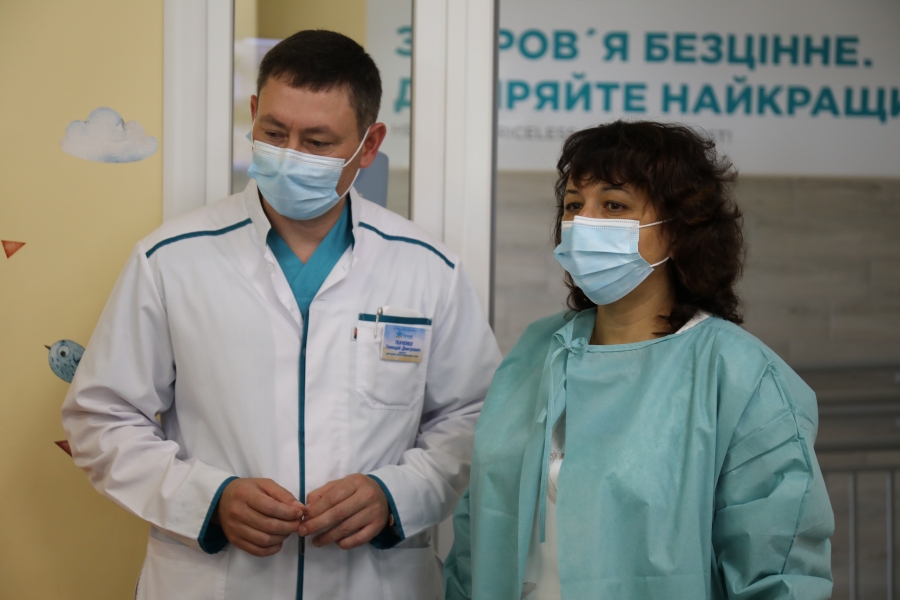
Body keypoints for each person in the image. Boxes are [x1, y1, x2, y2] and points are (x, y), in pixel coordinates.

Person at [62, 30, 501, 600]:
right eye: (273, 133)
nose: (290, 154)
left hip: (373, 583)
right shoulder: (171, 259)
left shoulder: (428, 269)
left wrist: (398, 494)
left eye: (317, 141)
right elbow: (102, 417)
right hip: (213, 583)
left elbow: (474, 417)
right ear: (253, 114)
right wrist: (205, 499)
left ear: (369, 145)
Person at [444, 121, 834, 599]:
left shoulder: (739, 376)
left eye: (614, 205)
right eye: (573, 205)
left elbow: (777, 572)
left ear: (677, 230)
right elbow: (477, 528)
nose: (584, 223)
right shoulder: (536, 351)